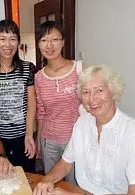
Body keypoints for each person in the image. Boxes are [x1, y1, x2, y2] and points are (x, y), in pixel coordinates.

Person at [32, 64, 135, 195]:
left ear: (113, 91)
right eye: (86, 92)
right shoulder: (82, 123)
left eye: (99, 90)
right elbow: (65, 163)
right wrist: (47, 180)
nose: (92, 99)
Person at [0, 19, 36, 173]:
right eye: (2, 39)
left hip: (23, 136)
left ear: (18, 42)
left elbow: (32, 104)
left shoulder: (28, 68)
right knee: (1, 180)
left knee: (27, 177)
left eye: (12, 39)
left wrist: (29, 135)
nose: (7, 45)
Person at [34, 21, 82, 184]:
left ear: (63, 42)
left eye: (54, 39)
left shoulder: (79, 70)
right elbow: (41, 112)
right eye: (43, 40)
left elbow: (92, 107)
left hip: (76, 140)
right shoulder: (39, 77)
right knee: (53, 187)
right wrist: (39, 141)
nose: (49, 45)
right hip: (49, 142)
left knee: (76, 187)